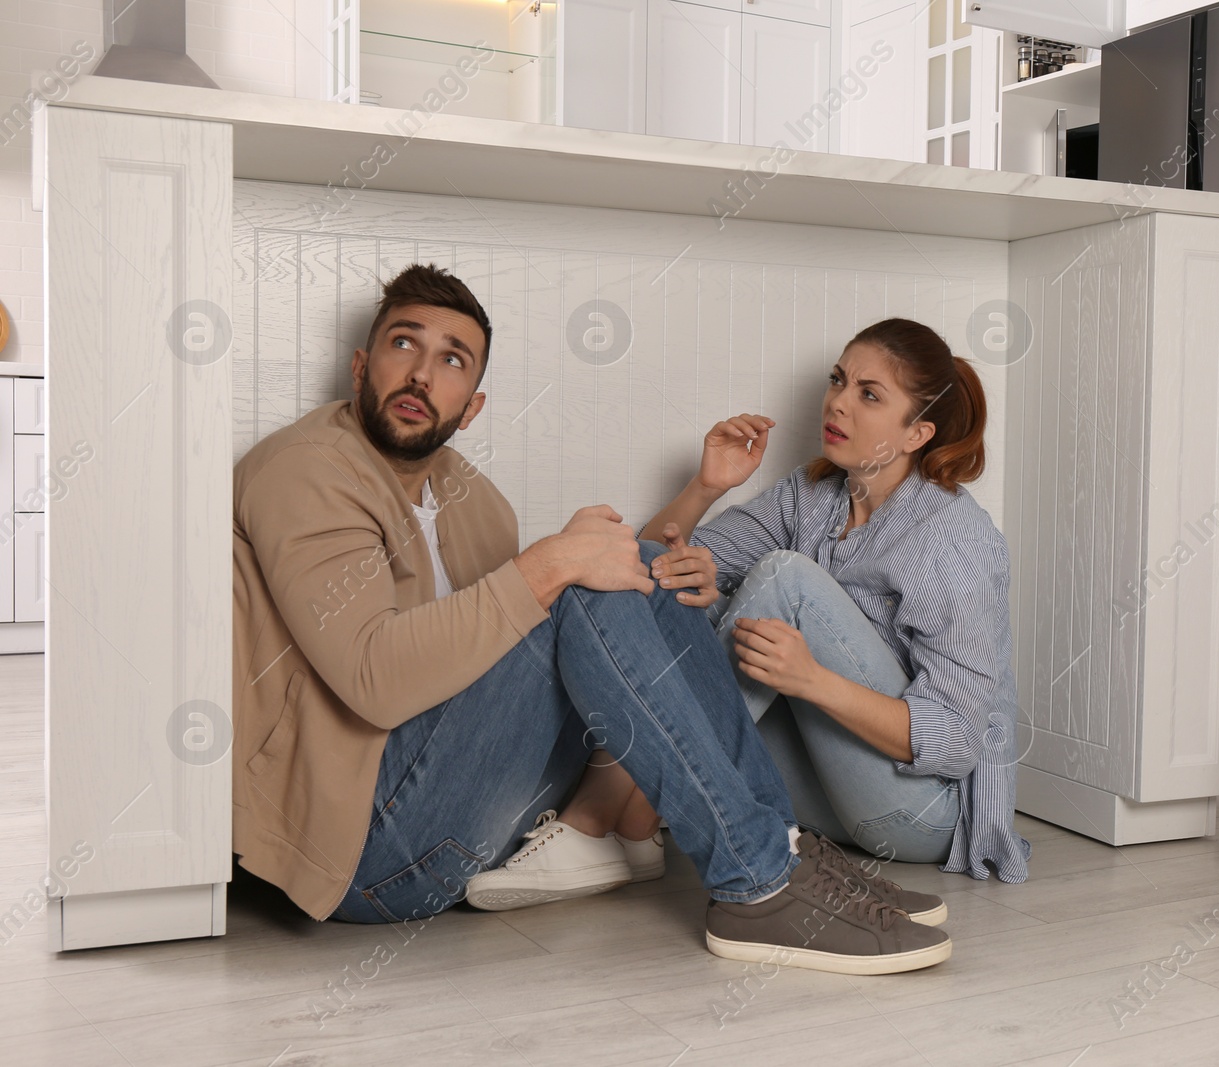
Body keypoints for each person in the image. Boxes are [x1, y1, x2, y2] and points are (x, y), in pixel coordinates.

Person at [231, 264, 950, 974]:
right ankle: (757, 883)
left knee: (638, 565)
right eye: (402, 345)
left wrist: (593, 553)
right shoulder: (305, 471)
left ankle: (779, 848)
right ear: (360, 366)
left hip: (463, 805)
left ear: (471, 405)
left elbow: (525, 649)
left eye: (451, 359)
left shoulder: (473, 499)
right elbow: (375, 680)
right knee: (584, 577)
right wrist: (552, 564)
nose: (422, 373)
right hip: (368, 848)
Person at [635, 318, 1031, 884]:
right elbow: (653, 566)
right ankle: (627, 799)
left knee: (785, 580)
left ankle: (621, 803)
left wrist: (811, 680)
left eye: (868, 395)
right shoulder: (812, 495)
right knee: (687, 595)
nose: (838, 404)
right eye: (838, 381)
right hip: (832, 792)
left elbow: (957, 741)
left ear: (917, 434)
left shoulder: (953, 540)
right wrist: (707, 486)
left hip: (919, 812)